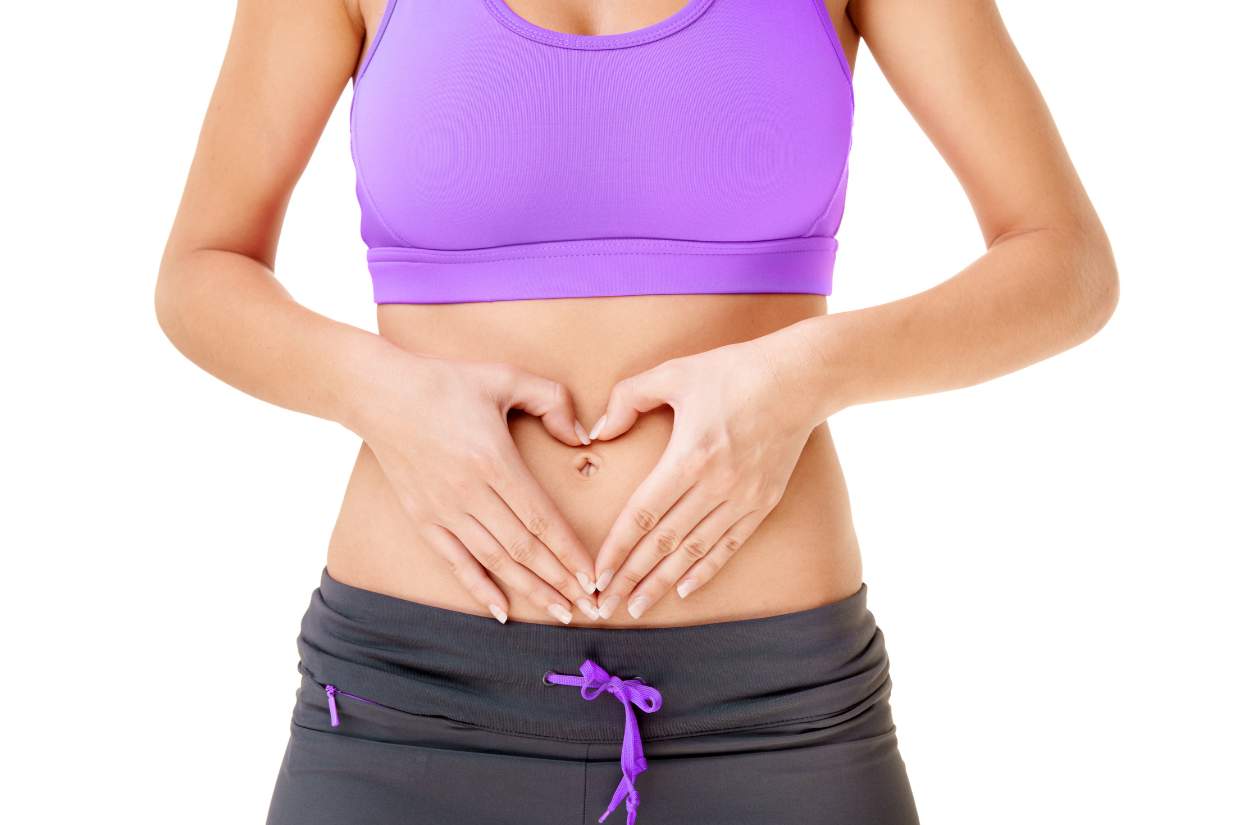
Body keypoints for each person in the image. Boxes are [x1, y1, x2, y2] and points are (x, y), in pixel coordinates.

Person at [155, 1, 1118, 823]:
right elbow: (202, 269)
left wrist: (804, 374)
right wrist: (386, 394)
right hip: (407, 702)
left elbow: (1064, 261)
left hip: (771, 715)